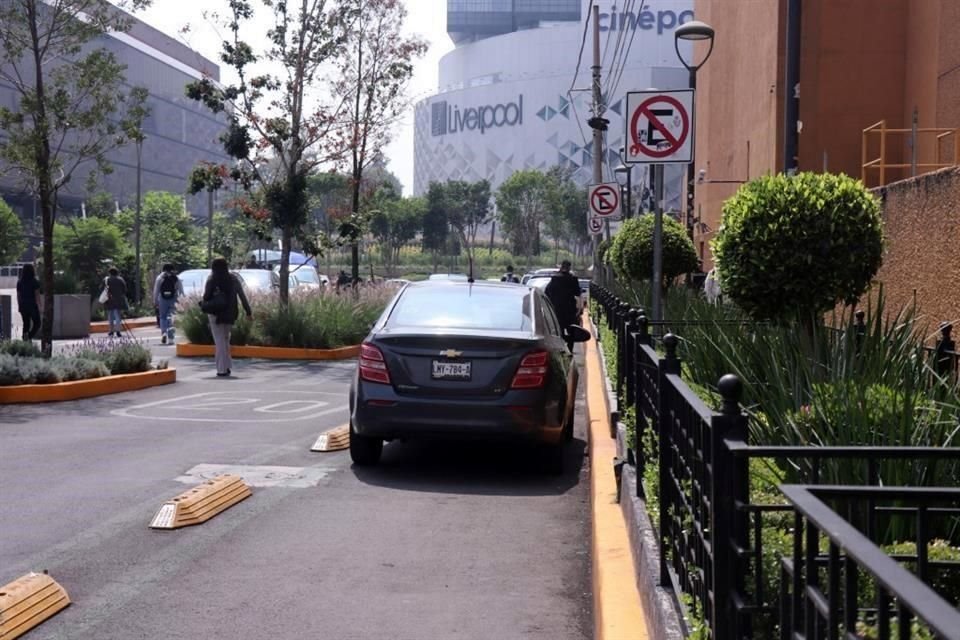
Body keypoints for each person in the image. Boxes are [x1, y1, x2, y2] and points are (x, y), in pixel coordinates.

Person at [202, 257, 252, 377]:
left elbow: (206, 297)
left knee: (219, 341)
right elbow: (242, 295)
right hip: (230, 313)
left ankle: (221, 369)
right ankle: (227, 366)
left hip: (215, 313)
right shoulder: (233, 279)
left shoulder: (212, 279)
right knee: (225, 339)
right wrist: (248, 312)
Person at [545, 260, 582, 351]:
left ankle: (561, 348)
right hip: (570, 309)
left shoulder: (555, 278)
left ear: (561, 267)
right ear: (569, 268)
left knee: (559, 329)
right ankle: (570, 347)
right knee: (571, 329)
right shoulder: (573, 279)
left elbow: (547, 291)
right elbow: (577, 293)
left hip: (557, 309)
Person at [153, 263, 184, 345]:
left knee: (162, 317)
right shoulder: (176, 278)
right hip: (173, 299)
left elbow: (156, 290)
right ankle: (171, 338)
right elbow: (181, 291)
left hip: (162, 299)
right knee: (171, 317)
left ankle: (164, 333)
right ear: (173, 269)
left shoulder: (160, 278)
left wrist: (155, 301)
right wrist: (182, 301)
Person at [16, 264, 42, 341]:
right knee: (37, 323)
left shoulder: (20, 282)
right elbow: (37, 295)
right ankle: (28, 337)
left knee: (26, 324)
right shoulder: (35, 281)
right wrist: (40, 306)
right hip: (32, 306)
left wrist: (19, 306)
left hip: (23, 306)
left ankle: (25, 340)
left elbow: (18, 296)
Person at [102, 267, 128, 337]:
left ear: (110, 273)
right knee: (117, 316)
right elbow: (124, 290)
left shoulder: (106, 280)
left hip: (109, 300)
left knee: (110, 316)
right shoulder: (120, 280)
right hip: (118, 301)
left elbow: (103, 289)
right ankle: (118, 331)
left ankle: (111, 331)